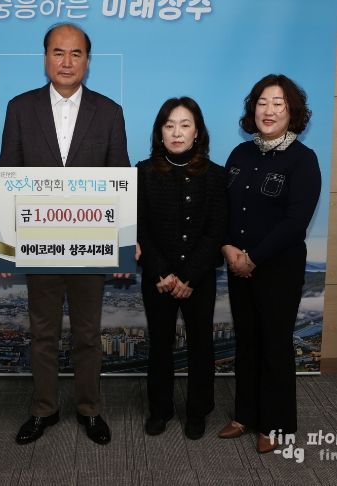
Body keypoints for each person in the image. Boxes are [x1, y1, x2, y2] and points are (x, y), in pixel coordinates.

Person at [0, 23, 130, 445]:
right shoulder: (20, 108)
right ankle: (44, 409)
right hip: (39, 245)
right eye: (58, 52)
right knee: (43, 334)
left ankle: (90, 409)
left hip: (91, 246)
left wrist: (123, 246)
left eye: (76, 53)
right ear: (45, 58)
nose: (67, 61)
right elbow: (8, 175)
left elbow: (120, 178)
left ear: (88, 61)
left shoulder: (109, 112)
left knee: (88, 334)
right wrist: (3, 246)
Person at [217, 74, 321, 453]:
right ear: (253, 109)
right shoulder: (239, 154)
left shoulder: (303, 160)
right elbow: (223, 208)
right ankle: (244, 415)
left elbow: (295, 223)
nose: (269, 110)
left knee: (274, 345)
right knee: (246, 341)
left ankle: (276, 425)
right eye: (262, 102)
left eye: (279, 104)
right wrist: (228, 248)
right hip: (237, 266)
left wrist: (253, 258)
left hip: (279, 269)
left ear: (292, 111)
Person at [137, 97, 227, 440]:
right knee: (160, 345)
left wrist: (189, 276)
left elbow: (216, 231)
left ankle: (198, 411)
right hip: (157, 277)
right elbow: (139, 228)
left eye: (185, 125)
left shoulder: (215, 175)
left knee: (201, 345)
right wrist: (161, 272)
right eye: (169, 125)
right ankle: (159, 410)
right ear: (160, 132)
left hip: (198, 278)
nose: (177, 132)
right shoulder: (143, 172)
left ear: (197, 132)